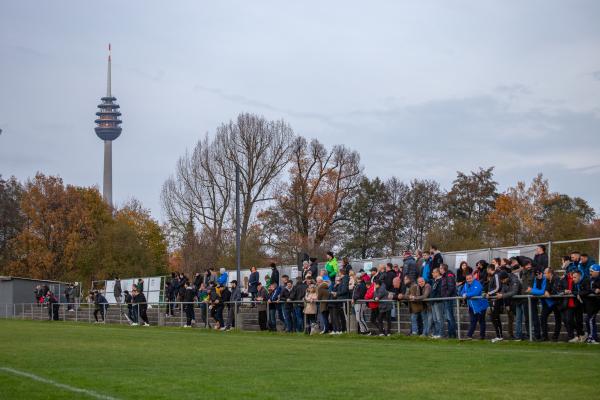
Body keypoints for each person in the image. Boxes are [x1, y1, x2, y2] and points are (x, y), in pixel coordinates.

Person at [537, 268, 562, 341]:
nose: (544, 275)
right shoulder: (547, 280)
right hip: (550, 302)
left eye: (545, 273)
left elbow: (556, 290)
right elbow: (546, 289)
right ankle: (545, 337)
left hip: (558, 302)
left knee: (558, 319)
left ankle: (555, 337)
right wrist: (546, 291)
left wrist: (548, 292)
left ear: (550, 273)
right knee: (543, 317)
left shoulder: (557, 279)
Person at [461, 274, 488, 340]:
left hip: (480, 306)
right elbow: (461, 292)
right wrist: (463, 294)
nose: (468, 280)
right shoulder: (465, 285)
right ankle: (469, 335)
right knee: (473, 321)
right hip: (472, 306)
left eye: (470, 278)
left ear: (473, 278)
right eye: (467, 279)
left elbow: (475, 293)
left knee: (481, 321)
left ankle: (482, 336)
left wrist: (466, 295)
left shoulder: (477, 283)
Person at [520, 260, 541, 340]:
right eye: (527, 264)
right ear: (524, 266)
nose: (529, 266)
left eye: (530, 264)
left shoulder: (535, 271)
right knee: (527, 317)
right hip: (524, 297)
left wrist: (532, 290)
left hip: (532, 297)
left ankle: (537, 335)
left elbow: (537, 282)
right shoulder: (522, 273)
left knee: (534, 316)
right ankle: (529, 334)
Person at [562, 270, 586, 342]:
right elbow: (559, 288)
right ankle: (577, 336)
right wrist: (565, 291)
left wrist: (578, 293)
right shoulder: (565, 279)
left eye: (575, 277)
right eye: (573, 277)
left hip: (578, 304)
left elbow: (585, 290)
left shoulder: (583, 280)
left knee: (579, 321)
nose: (573, 278)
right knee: (569, 320)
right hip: (569, 304)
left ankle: (581, 335)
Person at [580, 264, 600, 344]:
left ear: (597, 272)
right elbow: (584, 289)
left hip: (595, 304)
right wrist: (593, 290)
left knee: (590, 320)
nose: (590, 273)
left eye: (592, 271)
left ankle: (593, 337)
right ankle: (591, 336)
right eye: (590, 271)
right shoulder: (588, 279)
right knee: (588, 320)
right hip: (589, 305)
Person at [439, 264, 457, 338]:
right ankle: (450, 334)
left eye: (440, 268)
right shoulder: (445, 276)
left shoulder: (449, 275)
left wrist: (446, 296)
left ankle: (452, 335)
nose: (439, 270)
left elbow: (451, 287)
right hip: (446, 298)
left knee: (450, 317)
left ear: (443, 269)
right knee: (448, 317)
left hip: (449, 299)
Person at [429, 268, 444, 339]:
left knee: (439, 318)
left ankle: (441, 334)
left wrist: (435, 298)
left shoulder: (441, 280)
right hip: (433, 301)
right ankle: (436, 333)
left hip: (438, 301)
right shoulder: (434, 281)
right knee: (435, 319)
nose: (432, 274)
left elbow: (440, 292)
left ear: (437, 273)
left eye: (433, 272)